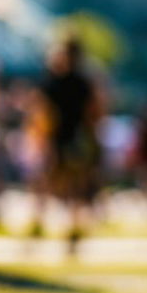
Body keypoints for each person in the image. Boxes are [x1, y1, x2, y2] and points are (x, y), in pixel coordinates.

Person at [36, 36, 103, 251]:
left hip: (59, 136)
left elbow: (42, 111)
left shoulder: (55, 80)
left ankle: (41, 222)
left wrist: (41, 138)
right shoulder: (83, 81)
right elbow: (94, 112)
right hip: (75, 136)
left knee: (50, 181)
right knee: (74, 185)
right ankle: (72, 226)